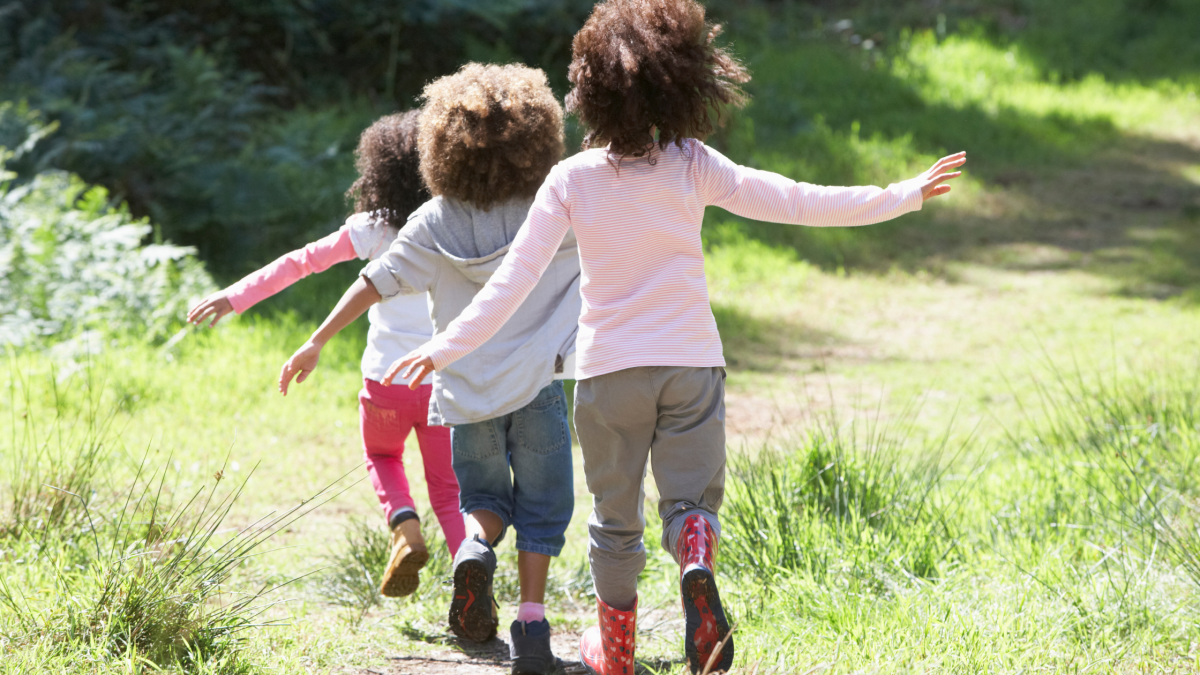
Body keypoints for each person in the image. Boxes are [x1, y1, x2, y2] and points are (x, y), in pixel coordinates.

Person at [384, 1, 967, 673]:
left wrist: (445, 346)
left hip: (608, 376)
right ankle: (694, 546)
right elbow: (795, 198)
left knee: (614, 521)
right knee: (690, 500)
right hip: (691, 365)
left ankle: (617, 649)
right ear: (682, 81)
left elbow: (510, 283)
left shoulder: (569, 180)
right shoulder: (692, 163)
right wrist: (901, 194)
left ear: (588, 91)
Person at [278, 63, 580, 675]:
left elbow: (372, 283)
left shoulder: (434, 219)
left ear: (440, 143)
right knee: (544, 510)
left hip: (464, 394)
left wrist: (316, 340)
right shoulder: (549, 209)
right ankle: (531, 628)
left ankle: (473, 549)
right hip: (537, 389)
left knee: (485, 499)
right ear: (537, 136)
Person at [187, 110, 466, 598]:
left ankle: (404, 527)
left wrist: (236, 296)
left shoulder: (374, 229)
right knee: (448, 489)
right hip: (444, 382)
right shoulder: (456, 225)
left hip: (386, 382)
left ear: (381, 171)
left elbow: (301, 263)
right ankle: (472, 580)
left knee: (381, 453)